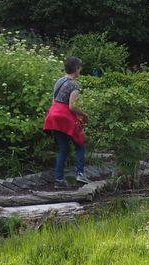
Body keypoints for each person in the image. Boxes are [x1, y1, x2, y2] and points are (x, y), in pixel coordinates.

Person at [43, 56, 90, 187]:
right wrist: (84, 115)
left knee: (63, 148)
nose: (80, 70)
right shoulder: (74, 84)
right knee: (80, 143)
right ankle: (80, 174)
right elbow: (72, 106)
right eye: (80, 68)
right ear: (76, 69)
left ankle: (58, 180)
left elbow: (54, 101)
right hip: (65, 116)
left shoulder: (59, 81)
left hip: (53, 115)